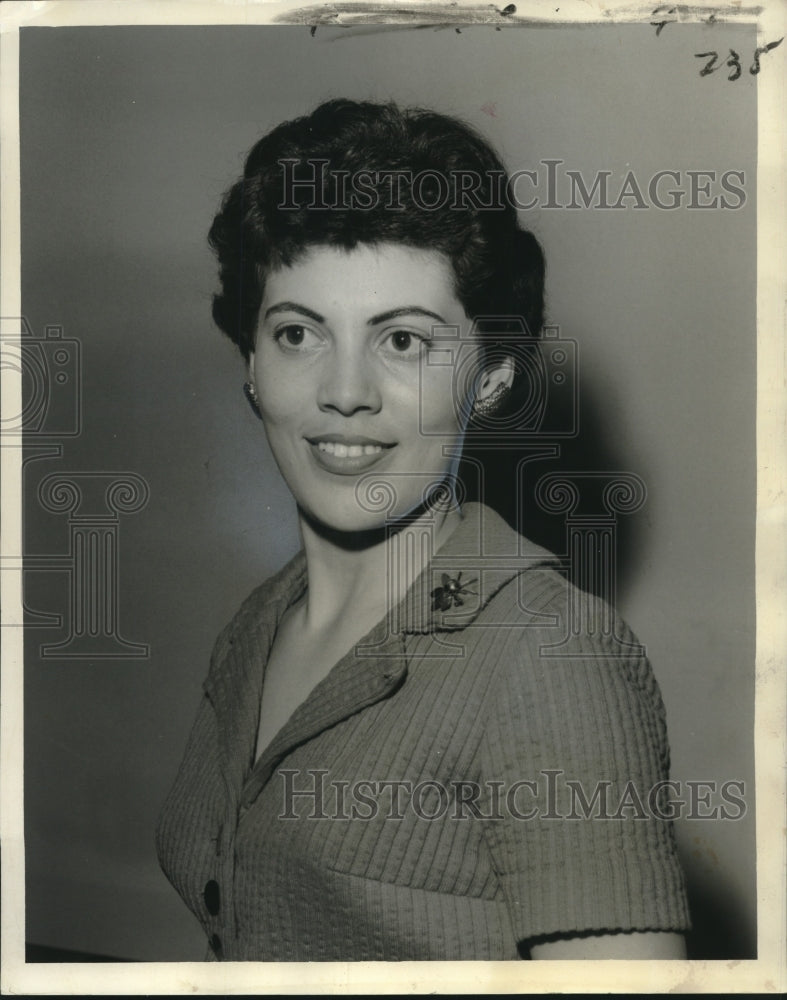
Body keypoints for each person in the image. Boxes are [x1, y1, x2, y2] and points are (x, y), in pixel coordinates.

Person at [156, 98, 690, 961]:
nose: (344, 391)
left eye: (402, 341)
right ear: (252, 364)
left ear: (488, 379)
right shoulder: (256, 627)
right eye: (298, 333)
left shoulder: (551, 657)